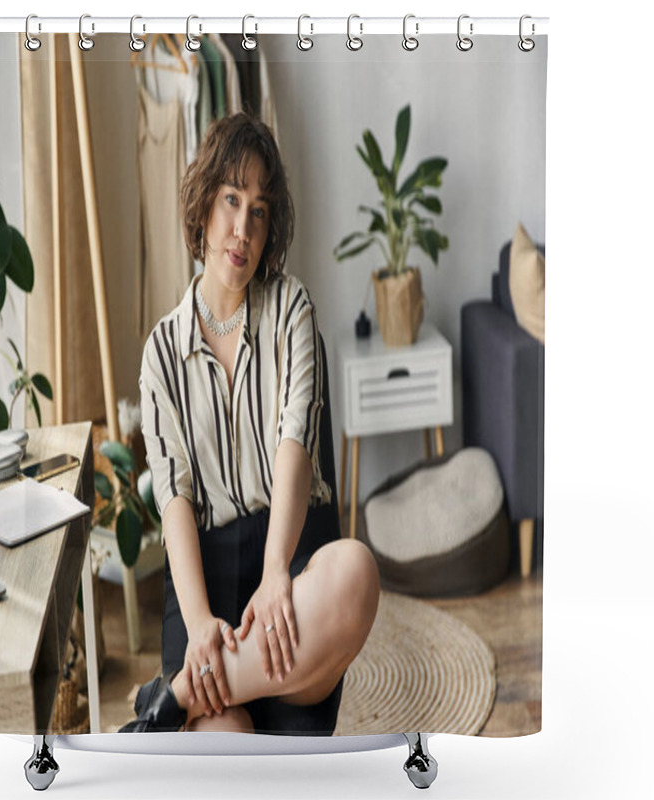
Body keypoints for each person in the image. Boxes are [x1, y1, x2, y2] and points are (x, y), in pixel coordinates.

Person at [130, 113, 380, 736]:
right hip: (203, 586)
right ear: (204, 206)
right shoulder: (161, 351)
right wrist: (198, 624)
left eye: (260, 211)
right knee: (231, 749)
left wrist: (276, 576)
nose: (242, 229)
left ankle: (177, 698)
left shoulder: (291, 306)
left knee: (356, 573)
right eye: (231, 200)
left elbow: (293, 445)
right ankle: (198, 685)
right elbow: (175, 500)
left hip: (289, 563)